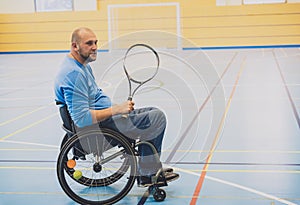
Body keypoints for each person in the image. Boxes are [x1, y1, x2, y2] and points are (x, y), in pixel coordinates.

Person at [54, 27, 179, 187]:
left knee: (152, 112)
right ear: (74, 46)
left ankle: (148, 167)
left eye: (96, 42)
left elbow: (95, 95)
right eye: (89, 43)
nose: (94, 47)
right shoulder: (73, 74)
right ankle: (147, 172)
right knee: (157, 117)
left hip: (106, 120)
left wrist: (117, 108)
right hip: (96, 129)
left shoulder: (81, 65)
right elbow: (82, 118)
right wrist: (117, 110)